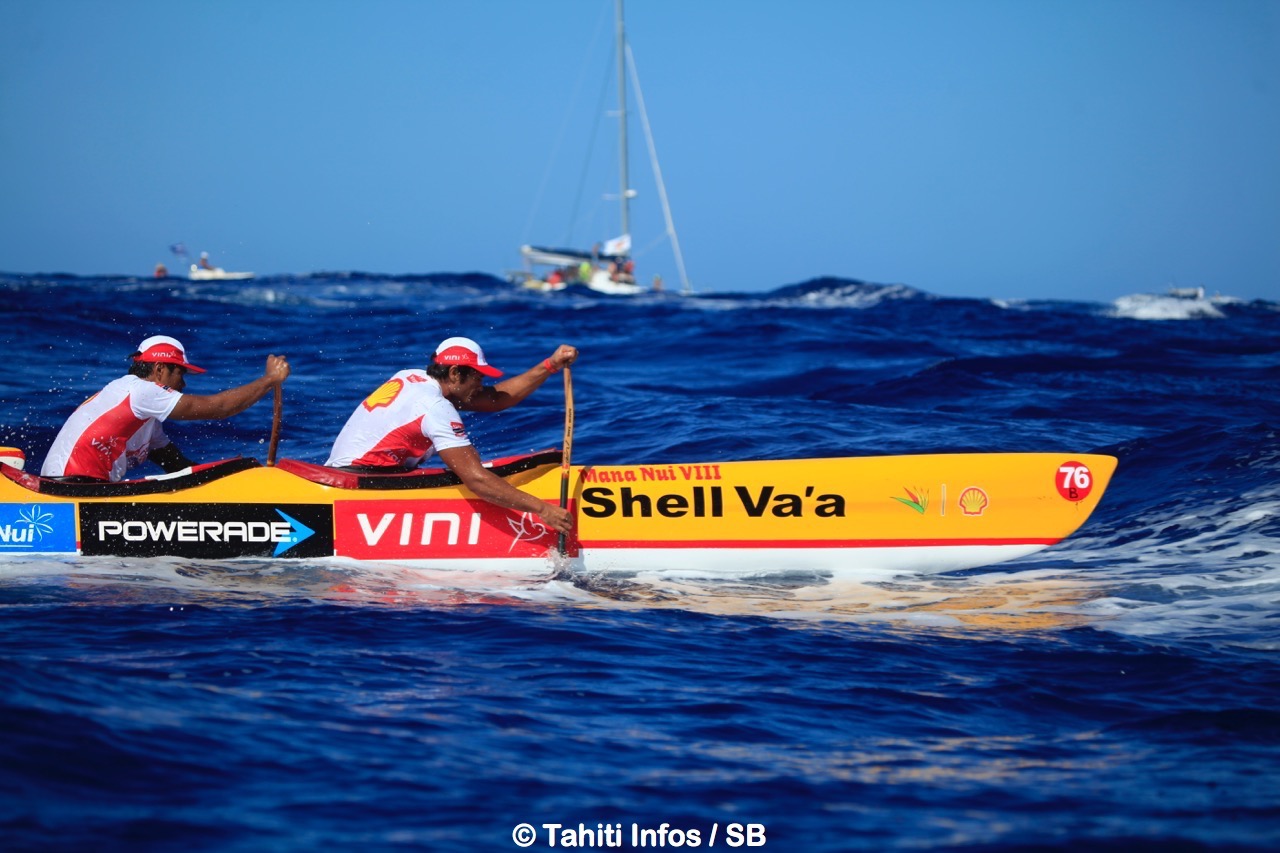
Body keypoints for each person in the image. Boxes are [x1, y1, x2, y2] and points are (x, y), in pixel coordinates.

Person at [325, 337, 578, 535]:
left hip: (347, 473)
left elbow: (494, 399)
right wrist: (543, 510)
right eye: (477, 377)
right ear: (455, 373)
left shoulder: (410, 377)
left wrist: (550, 365)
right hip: (359, 486)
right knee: (478, 474)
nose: (480, 385)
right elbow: (477, 482)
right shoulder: (435, 406)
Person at [41, 335, 290, 482]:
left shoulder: (146, 418)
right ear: (160, 369)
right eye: (179, 372)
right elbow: (219, 407)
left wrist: (233, 476)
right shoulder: (140, 391)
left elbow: (178, 467)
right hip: (70, 488)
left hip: (82, 488)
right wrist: (269, 380)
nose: (183, 383)